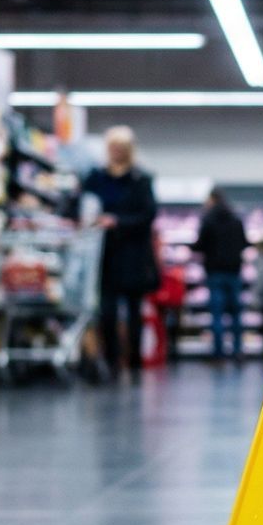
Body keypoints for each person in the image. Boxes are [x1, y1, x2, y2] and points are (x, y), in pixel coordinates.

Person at [83, 126, 158, 380]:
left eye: (121, 147)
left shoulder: (141, 180)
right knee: (107, 311)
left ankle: (134, 361)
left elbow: (148, 216)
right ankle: (112, 361)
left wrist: (117, 221)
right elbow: (80, 205)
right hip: (104, 256)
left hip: (134, 256)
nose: (116, 152)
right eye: (112, 147)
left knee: (135, 311)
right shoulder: (95, 177)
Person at [196, 188, 249, 361]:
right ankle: (238, 351)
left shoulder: (208, 220)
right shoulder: (236, 219)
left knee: (217, 315)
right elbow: (243, 243)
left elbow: (200, 245)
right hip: (234, 271)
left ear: (212, 200)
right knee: (236, 314)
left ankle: (218, 353)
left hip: (215, 272)